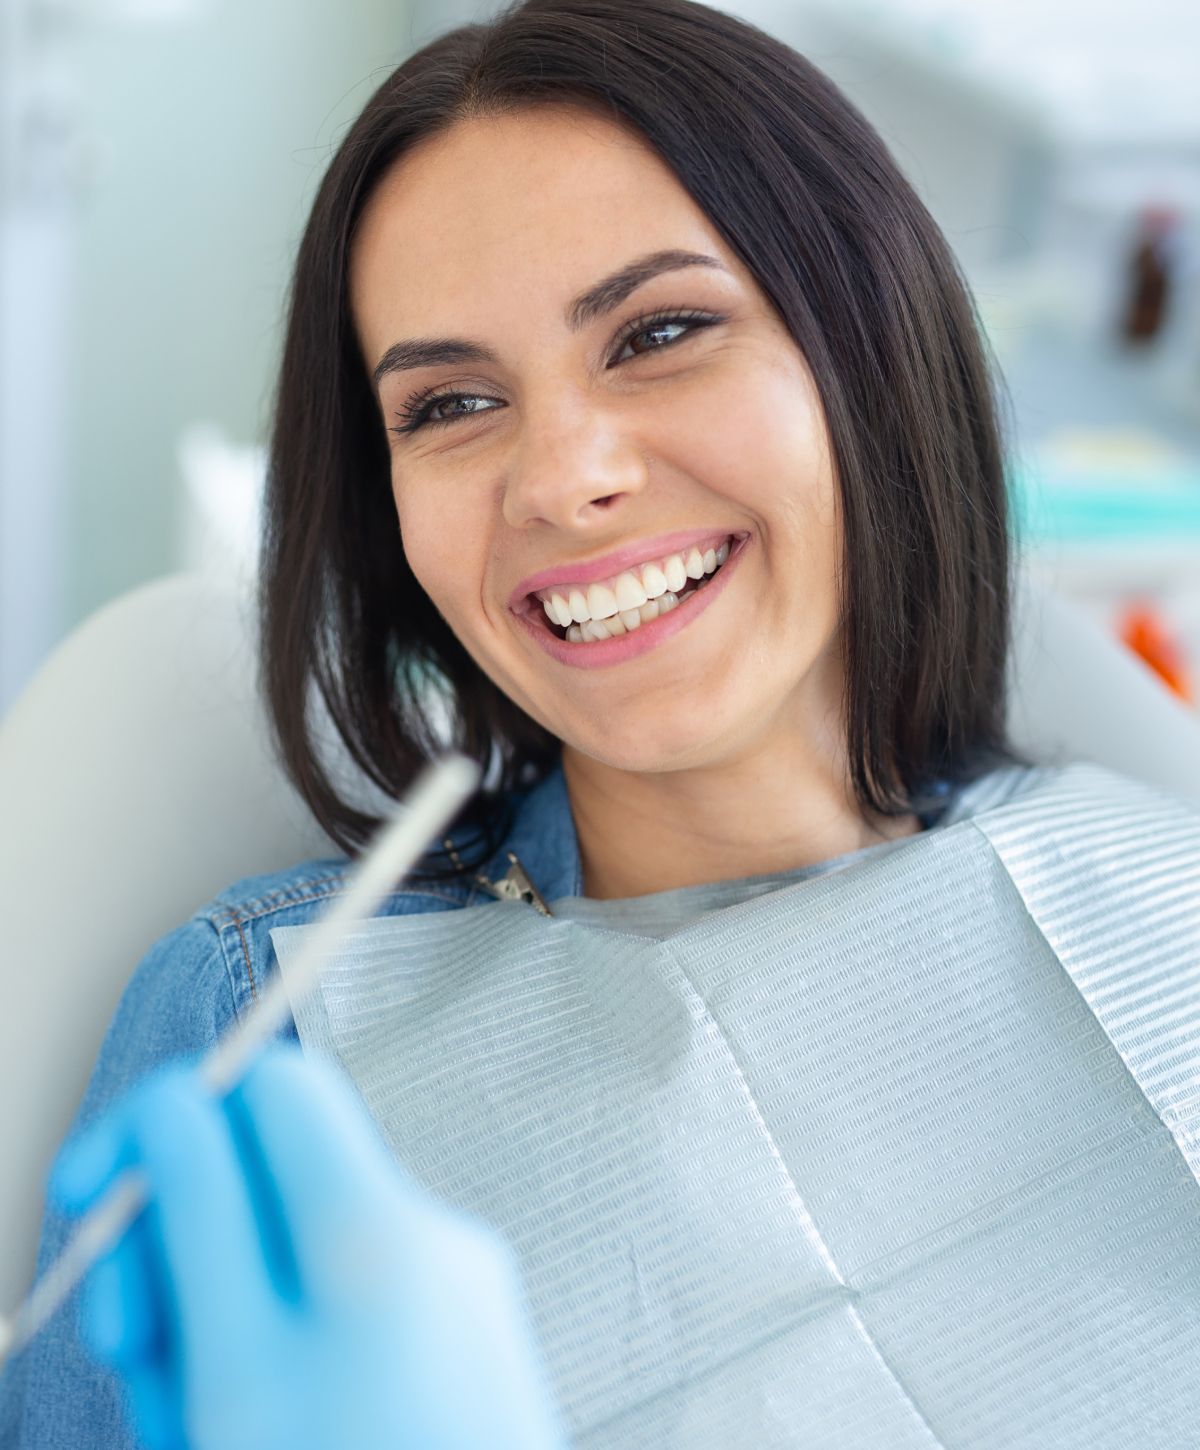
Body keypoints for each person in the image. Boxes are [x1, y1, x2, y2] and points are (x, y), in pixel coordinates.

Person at [4, 0, 1199, 1445]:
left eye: (662, 330)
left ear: (868, 353)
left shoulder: (1155, 893)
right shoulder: (258, 1022)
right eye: (450, 402)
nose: (564, 478)